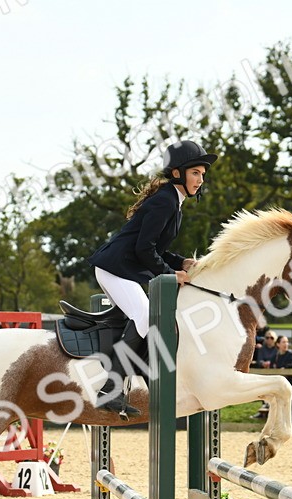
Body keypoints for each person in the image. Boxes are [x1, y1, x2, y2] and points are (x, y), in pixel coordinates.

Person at [88, 139, 214, 416]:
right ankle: (109, 390)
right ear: (178, 173)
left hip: (122, 268)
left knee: (143, 316)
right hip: (114, 268)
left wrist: (181, 262)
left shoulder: (173, 201)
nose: (200, 180)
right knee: (144, 315)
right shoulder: (165, 201)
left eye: (203, 175)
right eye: (196, 173)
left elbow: (156, 249)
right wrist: (170, 274)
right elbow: (143, 249)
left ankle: (140, 379)